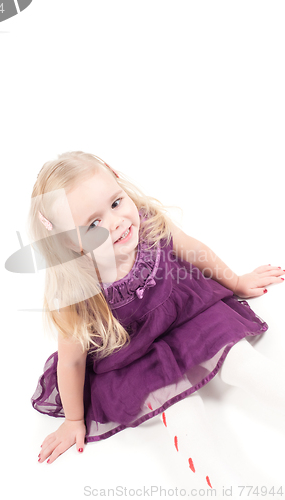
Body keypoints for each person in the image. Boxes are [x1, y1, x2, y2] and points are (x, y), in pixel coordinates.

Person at [28, 151, 284, 492]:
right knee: (184, 416)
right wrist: (73, 419)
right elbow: (72, 361)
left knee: (244, 362)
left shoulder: (145, 224)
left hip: (186, 318)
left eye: (116, 203)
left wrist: (236, 281)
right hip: (135, 356)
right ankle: (223, 489)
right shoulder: (78, 289)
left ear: (119, 182)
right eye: (93, 224)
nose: (116, 222)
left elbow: (192, 249)